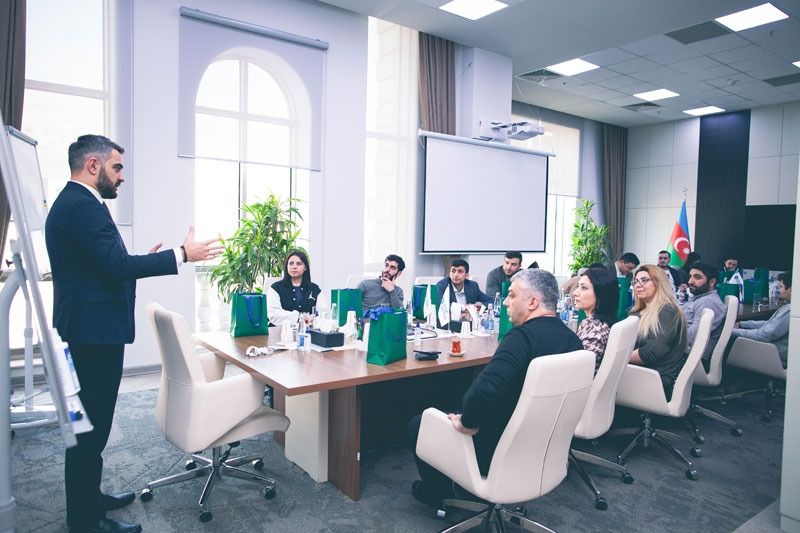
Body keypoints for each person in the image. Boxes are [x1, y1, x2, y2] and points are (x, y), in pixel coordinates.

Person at [45, 135, 222, 533]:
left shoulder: (76, 203)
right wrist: (181, 254)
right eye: (117, 167)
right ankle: (85, 521)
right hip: (93, 335)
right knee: (89, 430)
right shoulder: (82, 205)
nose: (122, 176)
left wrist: (141, 260)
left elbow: (106, 265)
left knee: (92, 427)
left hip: (89, 329)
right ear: (93, 165)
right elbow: (117, 266)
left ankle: (91, 497)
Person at [408, 269, 583, 507]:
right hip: (542, 449)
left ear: (533, 302)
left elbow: (485, 391)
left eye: (512, 295)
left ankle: (436, 494)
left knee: (420, 423)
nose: (506, 303)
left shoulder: (521, 338)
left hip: (498, 446)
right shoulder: (573, 340)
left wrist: (466, 422)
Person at [628, 265, 688, 399]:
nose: (638, 285)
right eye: (635, 281)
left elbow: (652, 352)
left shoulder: (668, 310)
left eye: (644, 280)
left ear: (659, 283)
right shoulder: (636, 312)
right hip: (638, 372)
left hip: (656, 380)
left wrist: (615, 358)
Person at [731, 272, 791, 367]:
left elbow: (762, 335)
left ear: (790, 289)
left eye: (781, 287)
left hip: (775, 357)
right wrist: (742, 324)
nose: (779, 290)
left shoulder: (789, 310)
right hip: (782, 355)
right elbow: (771, 324)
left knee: (730, 344)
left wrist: (731, 331)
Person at [573, 268, 620, 373]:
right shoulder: (601, 322)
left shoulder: (595, 332)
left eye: (584, 288)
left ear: (601, 294)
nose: (575, 293)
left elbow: (578, 369)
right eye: (577, 287)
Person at [682, 262, 727, 371]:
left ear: (712, 282)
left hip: (691, 360)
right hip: (684, 353)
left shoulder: (708, 302)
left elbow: (692, 337)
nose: (690, 281)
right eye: (690, 276)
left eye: (697, 277)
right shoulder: (699, 298)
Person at [267, 250, 321, 326]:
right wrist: (301, 317)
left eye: (299, 264)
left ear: (305, 267)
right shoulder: (275, 288)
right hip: (280, 331)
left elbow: (322, 314)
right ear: (287, 266)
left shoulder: (315, 289)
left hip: (309, 331)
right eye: (291, 263)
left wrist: (313, 319)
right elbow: (274, 315)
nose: (294, 267)